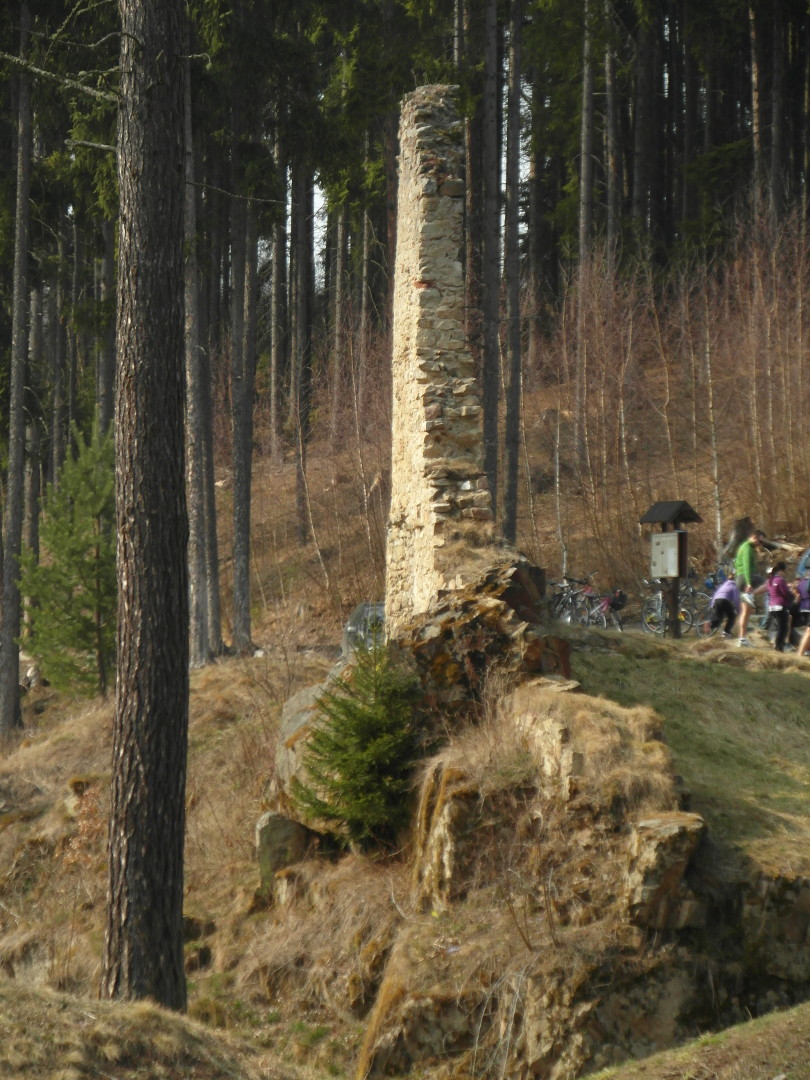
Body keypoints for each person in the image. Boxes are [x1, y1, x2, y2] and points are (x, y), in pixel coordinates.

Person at [735, 528, 766, 647]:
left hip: (739, 579)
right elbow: (747, 566)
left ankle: (742, 640)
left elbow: (736, 563)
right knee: (770, 583)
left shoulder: (743, 547)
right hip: (746, 578)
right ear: (754, 537)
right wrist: (749, 583)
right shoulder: (747, 548)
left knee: (746, 612)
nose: (760, 544)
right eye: (760, 541)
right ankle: (751, 594)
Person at [754, 562, 793, 652]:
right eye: (784, 571)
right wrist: (790, 591)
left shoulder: (770, 580)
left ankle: (777, 644)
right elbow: (785, 593)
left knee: (778, 627)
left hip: (771, 607)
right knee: (783, 628)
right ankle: (779, 647)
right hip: (780, 606)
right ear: (781, 571)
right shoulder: (780, 580)